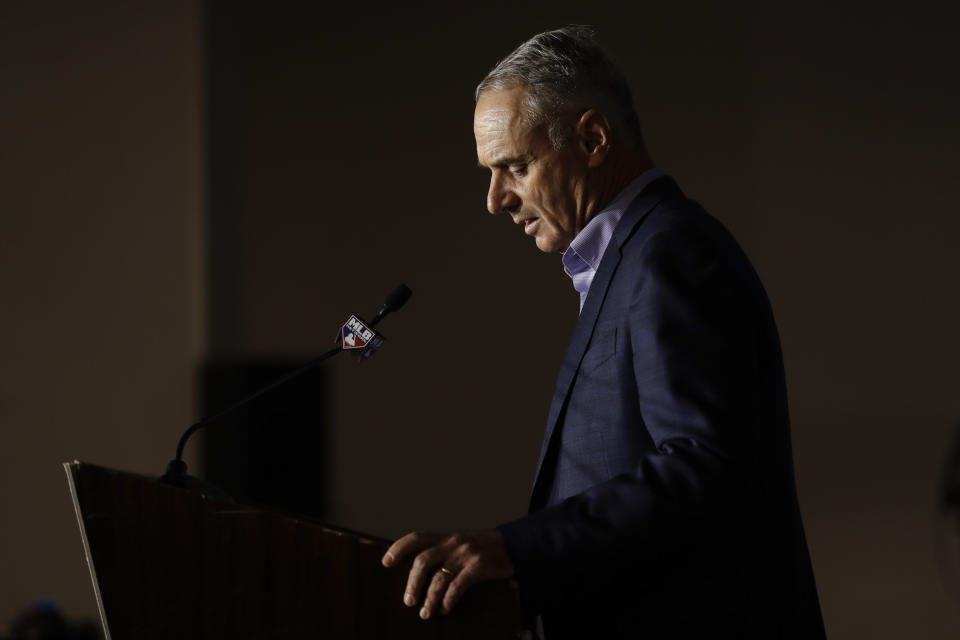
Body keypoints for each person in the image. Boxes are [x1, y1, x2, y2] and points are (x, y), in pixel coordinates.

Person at [382, 26, 826, 638]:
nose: (494, 201)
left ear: (592, 137)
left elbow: (705, 465)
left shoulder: (670, 253)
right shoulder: (634, 256)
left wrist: (518, 549)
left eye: (514, 166)